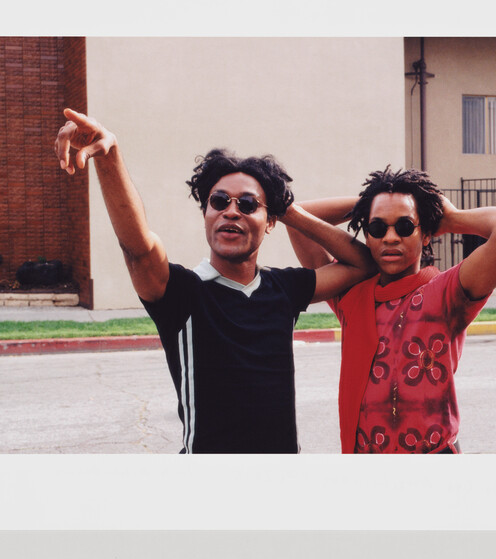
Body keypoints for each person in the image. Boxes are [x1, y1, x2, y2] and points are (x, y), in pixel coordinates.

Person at [54, 108, 375, 454]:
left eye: (248, 204)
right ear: (206, 213)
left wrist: (295, 212)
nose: (231, 211)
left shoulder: (284, 289)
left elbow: (362, 264)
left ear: (270, 222)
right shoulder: (182, 292)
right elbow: (139, 248)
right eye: (219, 201)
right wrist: (110, 157)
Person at [287, 166, 496, 453]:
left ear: (426, 234)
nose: (390, 237)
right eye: (378, 228)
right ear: (367, 235)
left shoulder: (447, 292)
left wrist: (449, 217)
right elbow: (298, 220)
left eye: (405, 226)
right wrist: (373, 200)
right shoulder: (351, 295)